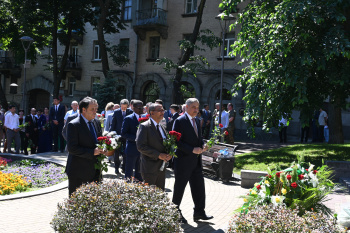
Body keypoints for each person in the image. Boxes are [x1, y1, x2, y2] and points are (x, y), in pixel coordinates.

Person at [172, 98, 213, 224]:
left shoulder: (198, 120)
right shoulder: (179, 121)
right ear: (187, 107)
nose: (196, 110)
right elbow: (176, 142)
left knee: (199, 188)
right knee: (179, 189)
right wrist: (191, 150)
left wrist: (203, 145)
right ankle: (174, 213)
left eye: (197, 107)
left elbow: (198, 138)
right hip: (183, 162)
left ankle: (199, 212)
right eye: (194, 107)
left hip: (196, 162)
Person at [65, 97, 104, 196]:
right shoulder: (73, 125)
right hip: (78, 171)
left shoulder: (97, 122)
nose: (95, 112)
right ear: (83, 109)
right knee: (76, 204)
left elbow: (98, 141)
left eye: (96, 109)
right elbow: (72, 148)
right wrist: (92, 152)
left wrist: (105, 149)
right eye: (92, 109)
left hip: (95, 170)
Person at [136, 103, 171, 190]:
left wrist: (169, 154)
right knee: (149, 197)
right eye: (160, 110)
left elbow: (164, 145)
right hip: (149, 168)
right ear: (152, 112)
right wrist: (158, 155)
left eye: (163, 110)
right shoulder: (145, 126)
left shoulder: (162, 127)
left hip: (161, 168)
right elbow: (140, 146)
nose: (162, 112)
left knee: (159, 194)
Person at [121, 100, 143, 181]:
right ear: (133, 108)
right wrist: (137, 138)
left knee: (139, 171)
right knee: (129, 172)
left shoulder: (145, 118)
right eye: (139, 108)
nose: (141, 109)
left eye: (142, 107)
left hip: (142, 149)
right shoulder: (128, 118)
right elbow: (123, 133)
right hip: (132, 148)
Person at [110, 99, 133, 174]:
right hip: (117, 135)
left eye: (125, 107)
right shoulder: (116, 112)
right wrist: (111, 134)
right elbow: (113, 123)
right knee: (117, 152)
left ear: (128, 106)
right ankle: (116, 167)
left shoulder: (130, 112)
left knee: (126, 152)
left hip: (126, 136)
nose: (123, 109)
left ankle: (124, 167)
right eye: (122, 107)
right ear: (120, 106)